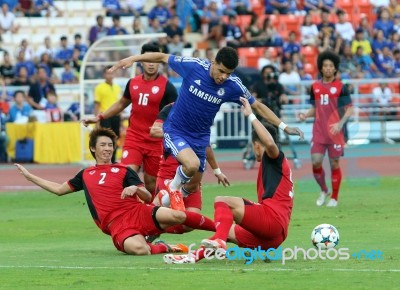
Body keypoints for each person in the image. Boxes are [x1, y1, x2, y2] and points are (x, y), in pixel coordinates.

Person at [108, 46, 303, 212]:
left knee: (192, 185)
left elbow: (258, 106)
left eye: (229, 73)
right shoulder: (193, 67)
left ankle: (157, 211)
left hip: (200, 138)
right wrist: (132, 59)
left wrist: (284, 127)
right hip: (176, 130)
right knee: (191, 166)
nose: (224, 76)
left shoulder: (233, 85)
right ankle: (173, 187)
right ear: (213, 61)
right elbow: (161, 57)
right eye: (221, 70)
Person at [15, 127, 216, 255]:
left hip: (138, 212)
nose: (108, 149)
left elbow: (147, 197)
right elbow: (59, 190)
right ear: (93, 149)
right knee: (140, 250)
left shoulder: (124, 170)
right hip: (116, 223)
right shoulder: (85, 174)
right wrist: (30, 176)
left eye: (110, 145)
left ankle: (220, 231)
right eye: (103, 145)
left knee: (179, 216)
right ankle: (165, 247)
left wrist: (133, 189)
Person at [164, 97, 294, 264]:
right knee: (227, 230)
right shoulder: (276, 165)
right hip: (275, 237)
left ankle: (219, 241)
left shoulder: (274, 157)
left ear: (256, 144)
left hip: (272, 221)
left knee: (222, 201)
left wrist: (251, 116)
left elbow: (269, 143)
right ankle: (192, 257)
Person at [82, 43, 177, 195]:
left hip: (156, 141)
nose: (151, 64)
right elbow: (121, 104)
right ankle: (126, 213)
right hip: (135, 137)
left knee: (152, 183)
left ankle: (152, 213)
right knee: (125, 174)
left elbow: (176, 112)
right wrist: (99, 117)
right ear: (141, 60)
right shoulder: (133, 83)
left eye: (155, 60)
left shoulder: (168, 87)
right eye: (147, 59)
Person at [150, 102, 230, 214]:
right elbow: (154, 131)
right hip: (168, 171)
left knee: (192, 217)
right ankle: (149, 220)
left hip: (192, 178)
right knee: (162, 216)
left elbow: (205, 145)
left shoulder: (201, 112)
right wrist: (180, 133)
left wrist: (217, 171)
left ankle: (165, 199)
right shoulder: (170, 108)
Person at [298, 50, 353, 207]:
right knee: (316, 162)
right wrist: (305, 115)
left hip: (335, 133)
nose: (328, 68)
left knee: (335, 164)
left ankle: (334, 197)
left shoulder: (342, 87)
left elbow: (349, 109)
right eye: (325, 66)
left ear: (335, 68)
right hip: (319, 132)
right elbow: (315, 108)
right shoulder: (314, 87)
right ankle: (324, 189)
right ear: (321, 69)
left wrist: (340, 123)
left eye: (331, 66)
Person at [92, 66, 122, 163]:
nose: (110, 75)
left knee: (115, 139)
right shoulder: (99, 88)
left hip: (116, 117)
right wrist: (96, 121)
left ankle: (112, 161)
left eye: (112, 73)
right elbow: (97, 105)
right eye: (108, 73)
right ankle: (102, 161)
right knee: (106, 139)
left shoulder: (117, 88)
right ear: (104, 75)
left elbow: (120, 105)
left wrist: (121, 122)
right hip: (105, 117)